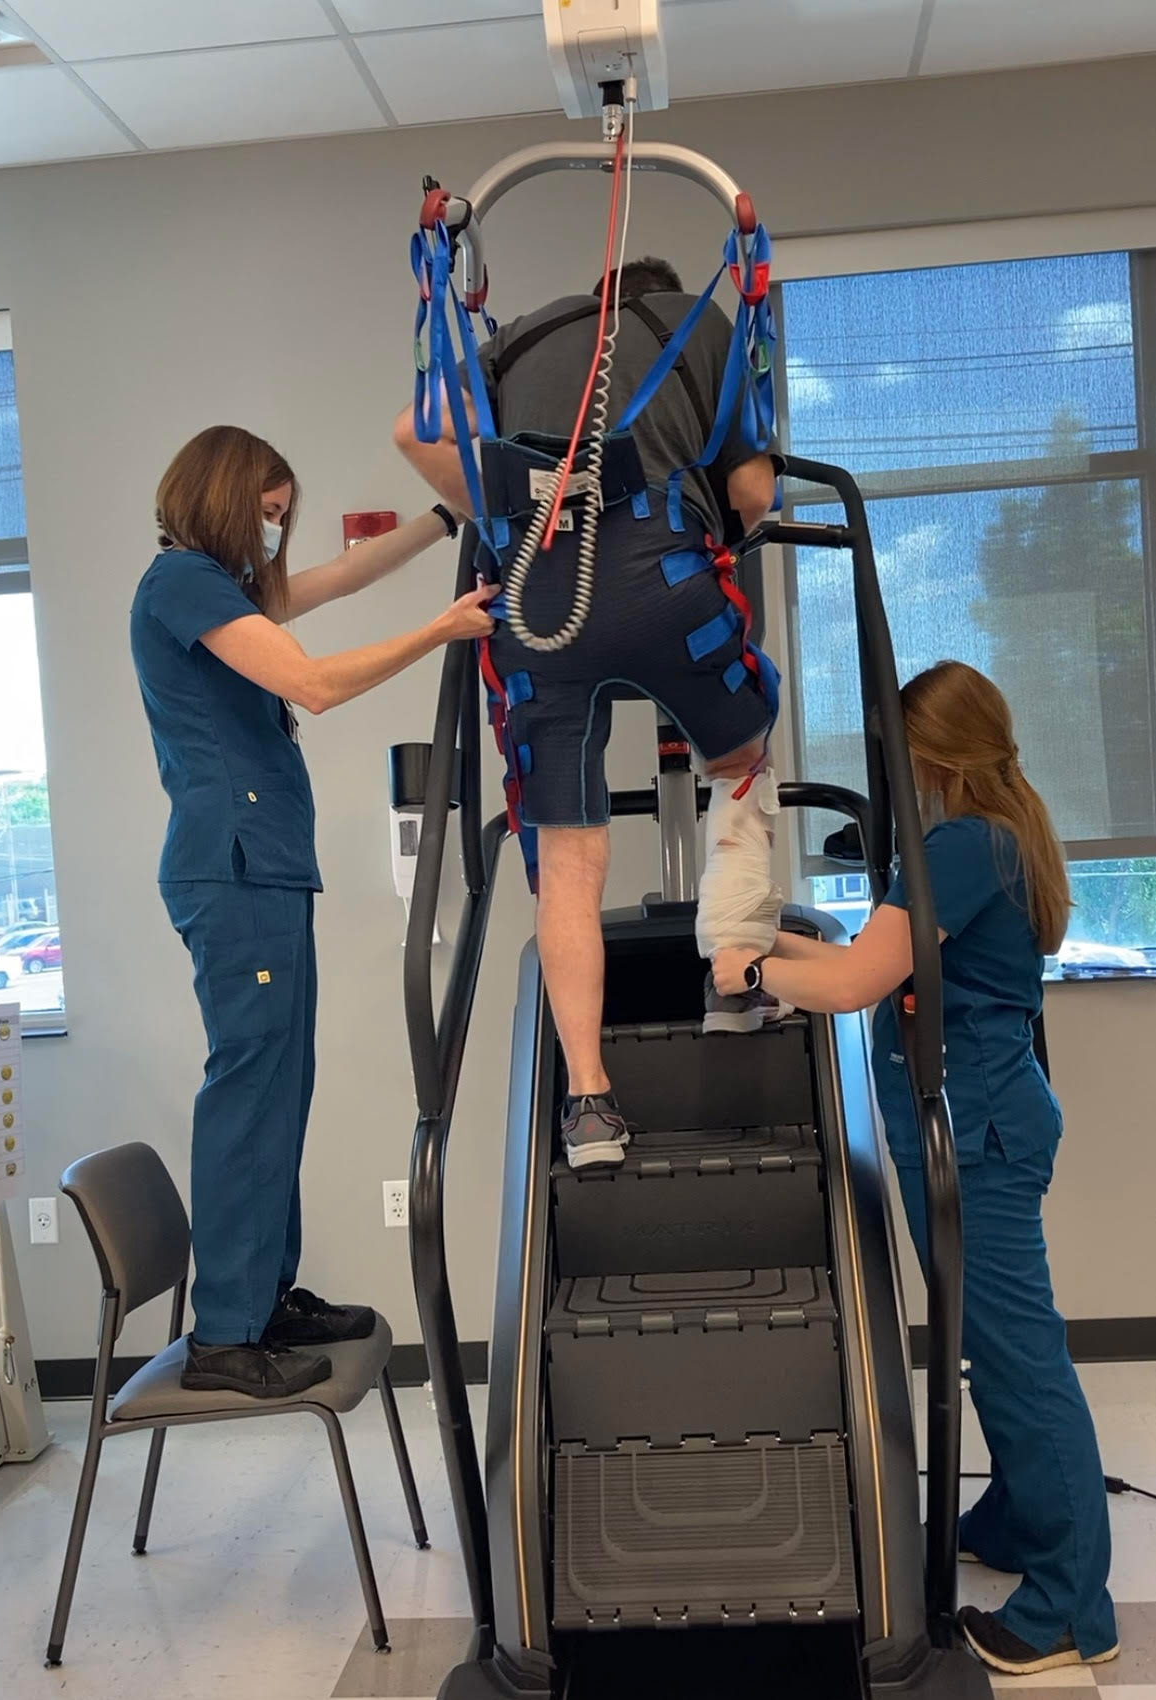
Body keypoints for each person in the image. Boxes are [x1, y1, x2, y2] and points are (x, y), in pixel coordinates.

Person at [713, 661, 1118, 1679]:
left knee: (1019, 1360)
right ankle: (1019, 1513)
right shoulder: (988, 835)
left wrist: (749, 966)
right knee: (992, 1344)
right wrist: (769, 963)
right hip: (977, 1120)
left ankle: (1070, 1606)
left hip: (978, 1130)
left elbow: (856, 978)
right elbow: (867, 961)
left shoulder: (961, 844)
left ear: (928, 753)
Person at [395, 257, 784, 1170]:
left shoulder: (519, 338)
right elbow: (754, 495)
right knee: (741, 757)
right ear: (663, 288)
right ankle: (732, 978)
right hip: (667, 592)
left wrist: (500, 517)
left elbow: (413, 437)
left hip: (535, 610)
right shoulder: (700, 322)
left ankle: (588, 1105)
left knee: (566, 858)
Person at [131, 424, 495, 1399]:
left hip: (266, 871)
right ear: (223, 495)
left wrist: (442, 515)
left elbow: (335, 578)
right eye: (265, 509)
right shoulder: (178, 583)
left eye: (281, 515)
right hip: (234, 870)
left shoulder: (218, 588)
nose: (273, 529)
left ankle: (261, 1298)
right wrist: (440, 631)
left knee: (279, 1087)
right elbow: (314, 683)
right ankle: (223, 1333)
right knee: (250, 1089)